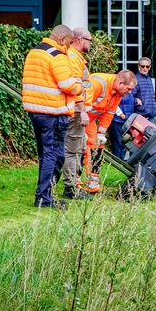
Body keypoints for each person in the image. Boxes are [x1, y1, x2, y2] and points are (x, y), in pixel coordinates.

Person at [22, 24, 84, 208]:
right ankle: (44, 197)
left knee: (44, 154)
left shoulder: (34, 52)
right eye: (69, 43)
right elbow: (67, 85)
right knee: (55, 155)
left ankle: (44, 195)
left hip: (35, 111)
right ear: (62, 39)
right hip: (53, 113)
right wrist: (80, 86)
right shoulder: (57, 56)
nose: (69, 47)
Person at [82, 70, 137, 193]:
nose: (129, 93)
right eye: (128, 89)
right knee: (83, 147)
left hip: (89, 119)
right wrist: (80, 127)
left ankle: (92, 183)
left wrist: (101, 133)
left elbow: (109, 113)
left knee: (97, 145)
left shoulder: (118, 93)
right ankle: (75, 183)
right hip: (80, 117)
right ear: (120, 83)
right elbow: (82, 105)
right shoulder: (98, 83)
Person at [62, 27, 92, 199]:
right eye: (89, 40)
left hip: (78, 110)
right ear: (80, 39)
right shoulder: (74, 58)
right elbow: (75, 87)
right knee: (72, 151)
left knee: (77, 148)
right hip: (76, 111)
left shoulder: (76, 58)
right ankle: (71, 188)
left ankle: (73, 185)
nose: (90, 43)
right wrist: (82, 111)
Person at [108, 92, 135, 159]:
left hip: (127, 121)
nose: (130, 90)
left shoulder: (131, 94)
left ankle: (121, 160)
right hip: (116, 120)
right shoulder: (117, 91)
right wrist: (120, 114)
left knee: (124, 142)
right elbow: (113, 103)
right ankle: (116, 160)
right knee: (117, 141)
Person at [131, 57, 156, 122]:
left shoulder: (149, 78)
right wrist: (136, 101)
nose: (145, 68)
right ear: (139, 66)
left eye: (147, 66)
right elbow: (129, 96)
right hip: (142, 116)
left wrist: (155, 108)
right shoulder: (135, 79)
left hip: (151, 115)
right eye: (143, 66)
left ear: (150, 67)